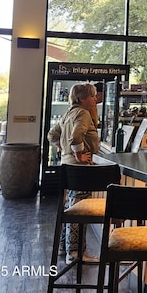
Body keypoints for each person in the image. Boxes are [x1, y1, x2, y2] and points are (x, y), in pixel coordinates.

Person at [47, 83, 100, 264]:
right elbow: (77, 136)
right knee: (81, 211)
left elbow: (52, 135)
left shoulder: (69, 112)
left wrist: (64, 149)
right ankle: (76, 253)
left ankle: (64, 247)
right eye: (92, 96)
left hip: (67, 168)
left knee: (71, 208)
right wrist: (78, 154)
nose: (95, 99)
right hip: (81, 170)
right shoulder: (83, 113)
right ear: (82, 98)